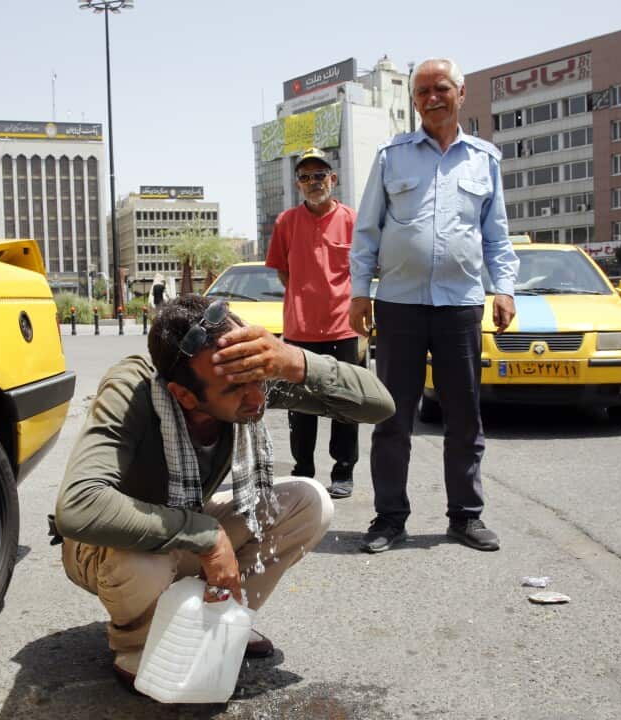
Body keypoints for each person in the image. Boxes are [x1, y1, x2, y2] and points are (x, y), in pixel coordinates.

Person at [53, 294, 394, 692]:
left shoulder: (244, 377)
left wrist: (292, 360)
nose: (257, 398)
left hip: (183, 521)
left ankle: (221, 619)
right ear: (184, 395)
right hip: (105, 546)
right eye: (237, 390)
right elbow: (78, 506)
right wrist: (208, 537)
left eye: (260, 378)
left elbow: (379, 405)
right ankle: (138, 643)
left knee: (309, 503)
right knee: (145, 560)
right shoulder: (133, 390)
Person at [348, 57, 520, 554]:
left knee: (464, 417)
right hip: (398, 305)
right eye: (421, 91)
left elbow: (497, 237)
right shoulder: (391, 156)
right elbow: (368, 232)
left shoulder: (484, 160)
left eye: (440, 88)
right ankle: (389, 518)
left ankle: (465, 516)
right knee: (391, 417)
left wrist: (503, 289)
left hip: (460, 306)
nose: (430, 97)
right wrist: (361, 290)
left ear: (461, 93)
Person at [265, 147, 361, 499]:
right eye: (305, 177)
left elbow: (363, 269)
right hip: (300, 330)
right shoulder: (286, 223)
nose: (312, 183)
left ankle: (343, 471)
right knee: (300, 405)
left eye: (319, 175)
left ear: (332, 179)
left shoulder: (352, 219)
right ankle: (303, 470)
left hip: (343, 327)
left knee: (344, 403)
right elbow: (282, 271)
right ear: (298, 184)